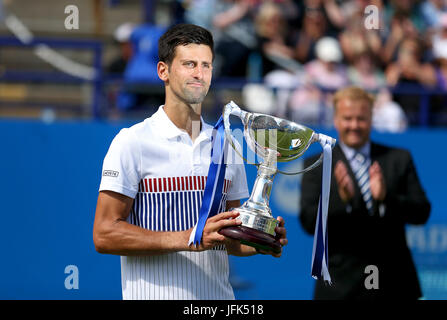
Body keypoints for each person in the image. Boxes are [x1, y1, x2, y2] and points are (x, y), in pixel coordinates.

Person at [93, 23, 288, 300]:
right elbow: (104, 234)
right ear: (164, 71)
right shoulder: (131, 141)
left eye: (206, 65)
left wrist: (261, 238)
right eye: (189, 64)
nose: (199, 74)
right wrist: (190, 238)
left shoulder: (227, 144)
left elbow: (230, 239)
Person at [299, 86, 431, 300]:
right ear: (336, 120)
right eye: (347, 118)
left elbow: (422, 212)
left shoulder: (399, 158)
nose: (354, 125)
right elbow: (307, 221)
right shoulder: (317, 164)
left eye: (361, 118)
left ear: (371, 119)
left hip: (394, 283)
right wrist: (343, 201)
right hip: (339, 286)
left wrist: (385, 198)